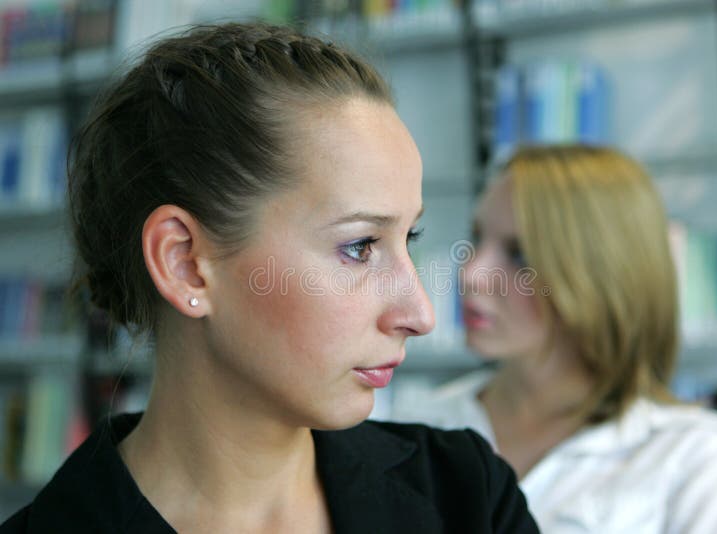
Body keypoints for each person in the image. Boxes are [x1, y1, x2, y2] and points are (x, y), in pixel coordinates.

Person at [0, 23, 539, 534]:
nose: (419, 313)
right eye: (359, 246)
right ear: (185, 263)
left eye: (409, 239)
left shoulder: (467, 496)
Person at [391, 145, 717, 533]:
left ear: (598, 273)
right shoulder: (419, 424)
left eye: (519, 254)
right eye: (477, 239)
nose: (472, 272)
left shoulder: (690, 453)